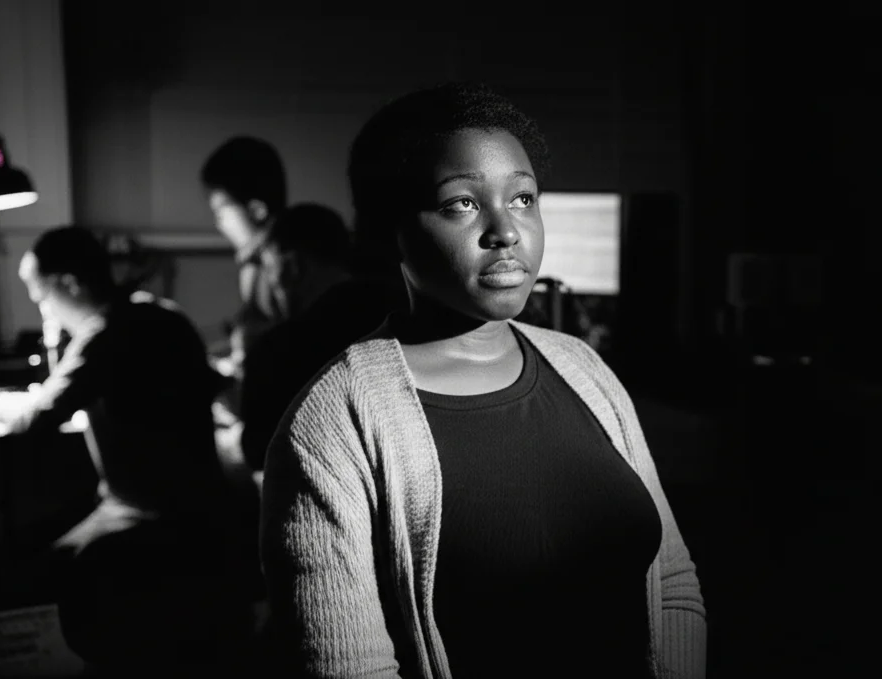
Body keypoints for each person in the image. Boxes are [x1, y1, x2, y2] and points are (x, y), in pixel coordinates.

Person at [259, 82, 707, 678]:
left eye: (523, 198)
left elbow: (672, 583)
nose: (506, 231)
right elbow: (348, 666)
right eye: (461, 204)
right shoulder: (336, 421)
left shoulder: (584, 368)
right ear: (386, 229)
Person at [0, 227, 253, 642]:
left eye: (42, 296)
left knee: (28, 573)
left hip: (145, 510)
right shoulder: (164, 313)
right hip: (206, 506)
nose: (44, 310)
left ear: (70, 284)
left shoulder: (103, 335)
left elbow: (35, 419)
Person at [237, 201, 407, 473]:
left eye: (270, 269)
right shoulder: (402, 314)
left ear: (292, 266)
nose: (270, 284)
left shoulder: (277, 350)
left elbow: (257, 452)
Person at [199, 135, 289, 381]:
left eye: (221, 212)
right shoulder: (253, 264)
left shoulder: (279, 266)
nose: (219, 224)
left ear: (256, 210)